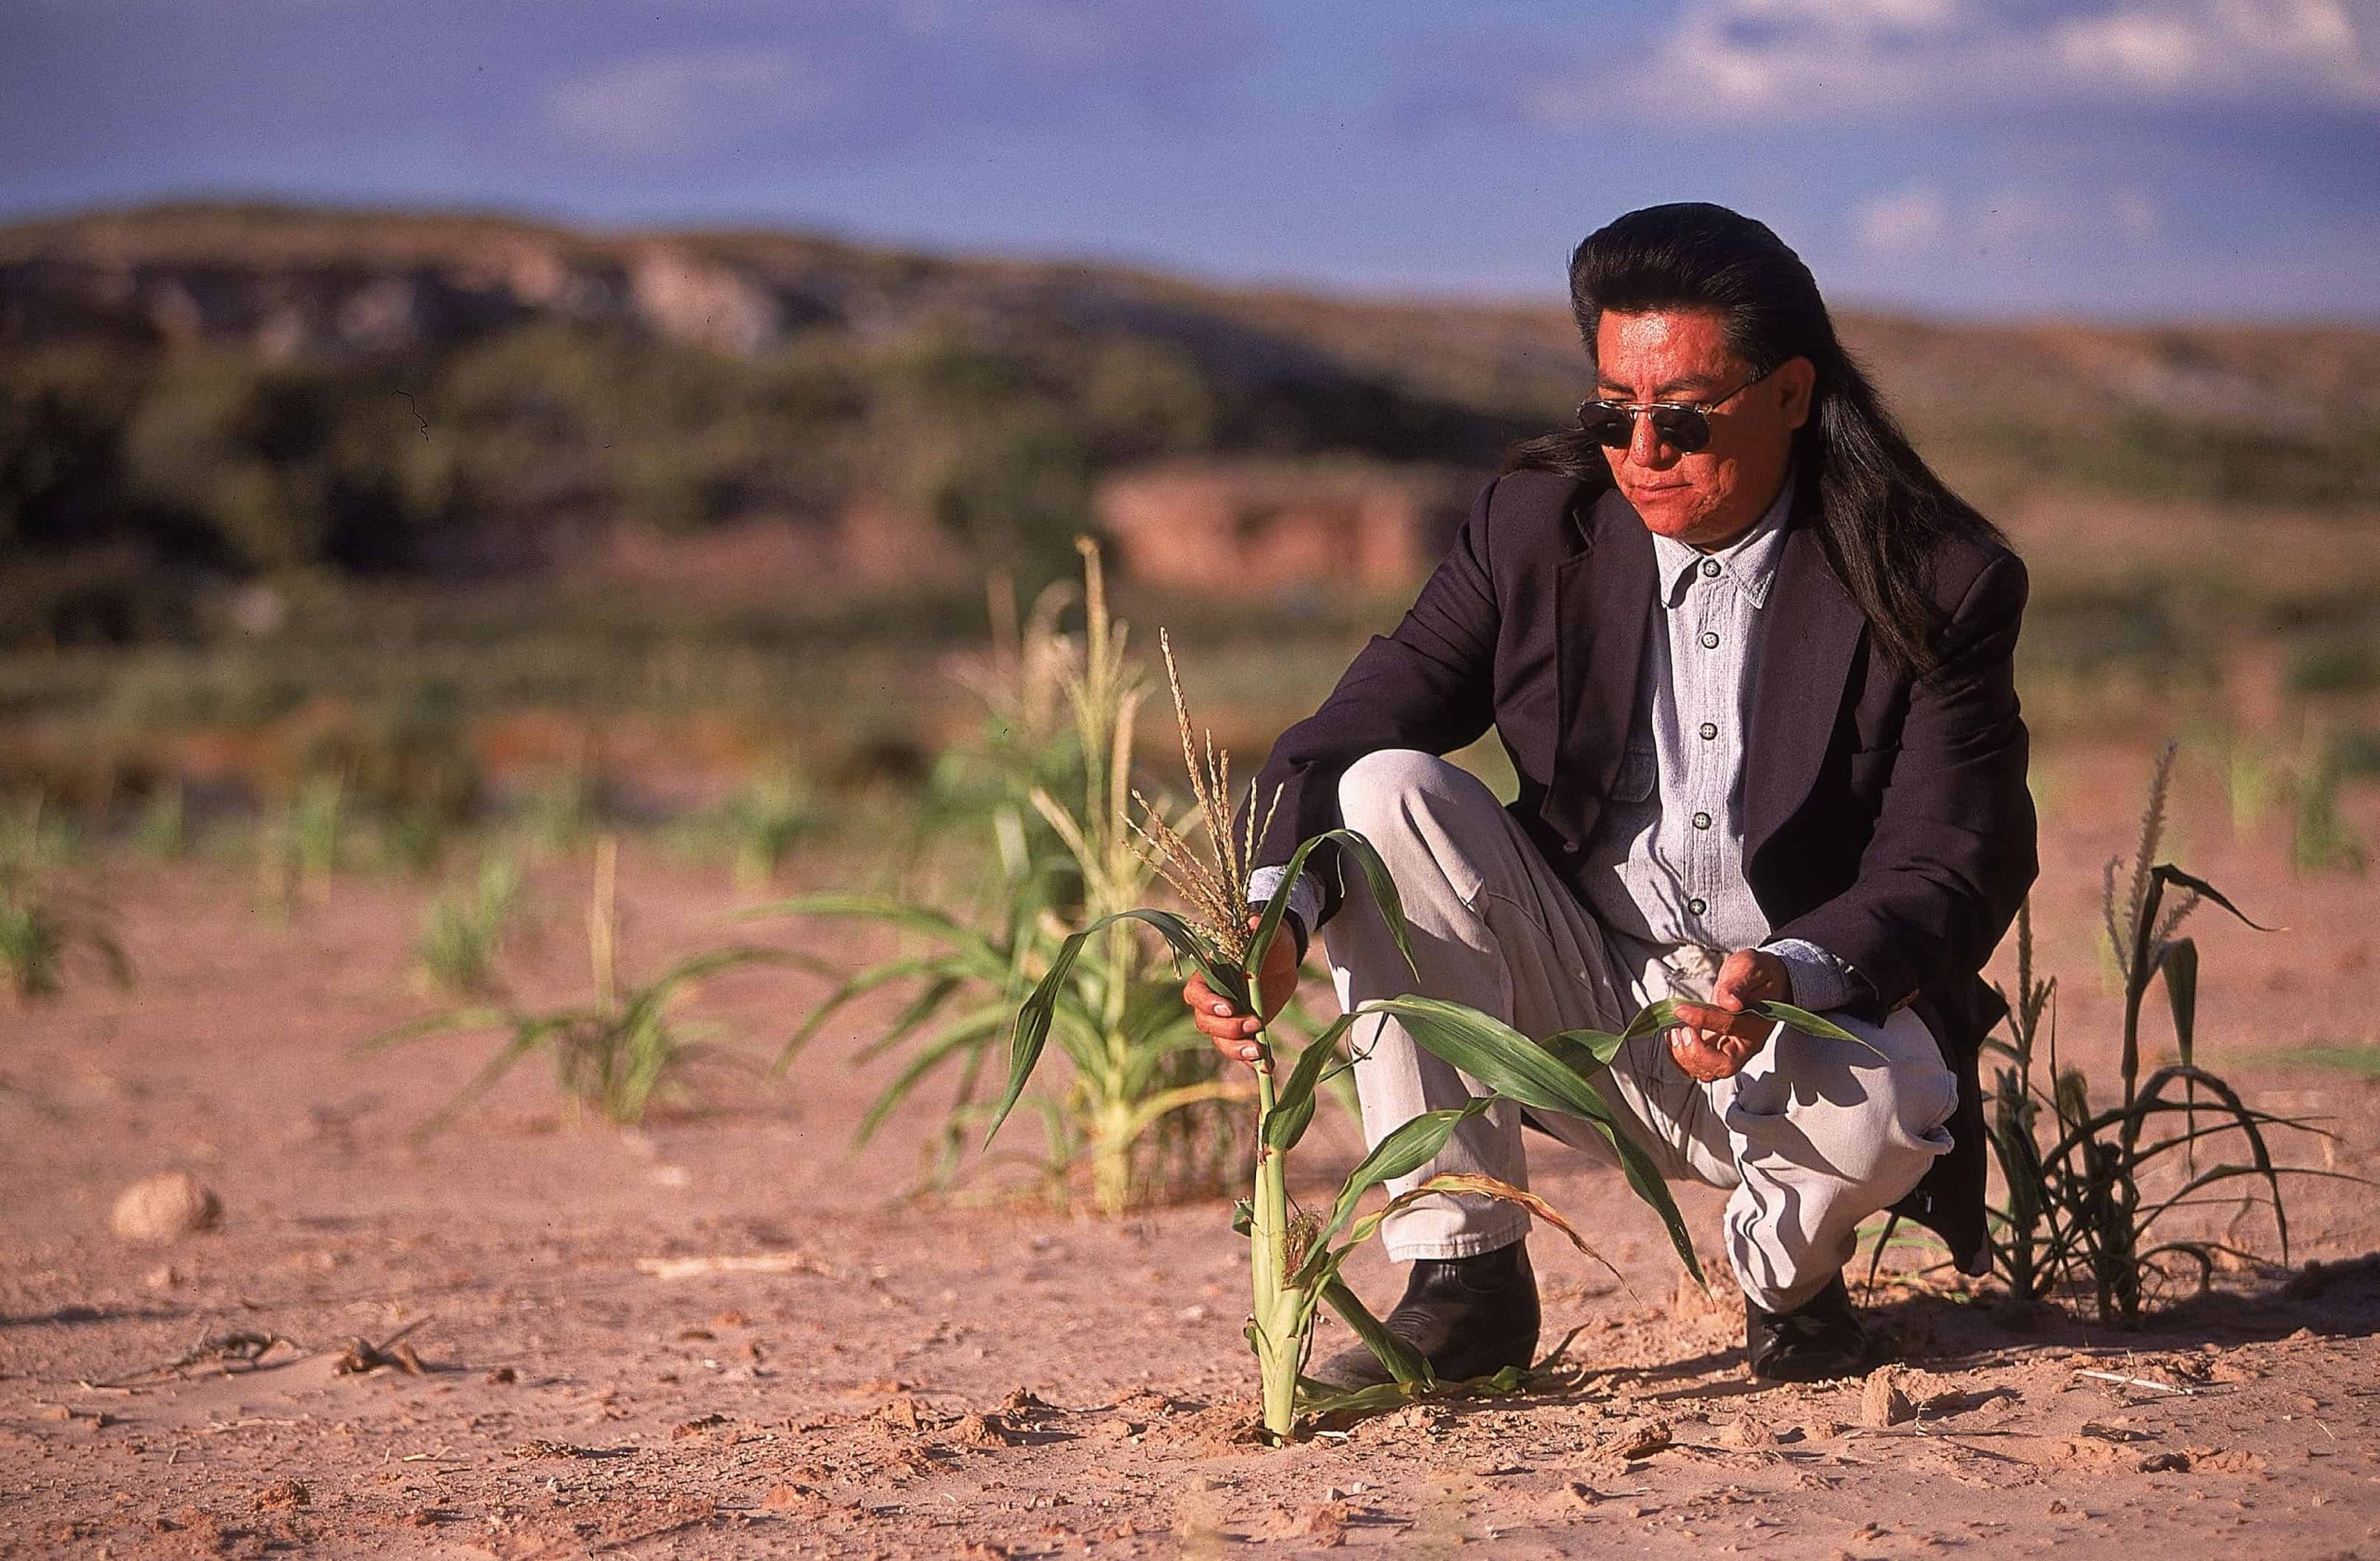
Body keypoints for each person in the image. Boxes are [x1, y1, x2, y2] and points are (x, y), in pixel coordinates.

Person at [1181, 203, 2035, 1387]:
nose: (1641, 451)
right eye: (1611, 411)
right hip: (1580, 1005)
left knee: (1892, 1094)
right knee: (1384, 791)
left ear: (1792, 394)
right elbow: (1351, 730)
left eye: (1682, 416)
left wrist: (1787, 971)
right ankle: (1462, 1281)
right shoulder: (1539, 525)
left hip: (1793, 1017)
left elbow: (1954, 855)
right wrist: (1273, 916)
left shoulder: (1937, 576)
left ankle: (1791, 1290)